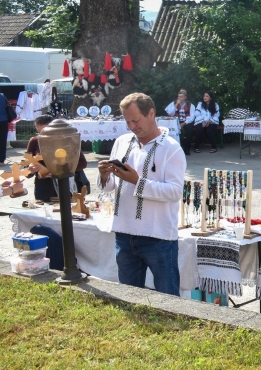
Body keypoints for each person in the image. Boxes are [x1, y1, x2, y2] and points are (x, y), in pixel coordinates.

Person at [98, 93, 186, 296]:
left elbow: (175, 192)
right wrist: (104, 176)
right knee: (130, 297)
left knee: (168, 298)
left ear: (151, 113)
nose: (131, 126)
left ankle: (172, 328)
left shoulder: (171, 148)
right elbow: (109, 187)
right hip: (124, 231)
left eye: (135, 120)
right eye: (127, 121)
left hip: (158, 235)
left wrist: (137, 182)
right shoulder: (121, 141)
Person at [26, 115, 88, 202]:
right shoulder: (34, 141)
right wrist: (31, 170)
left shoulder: (68, 140)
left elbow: (82, 163)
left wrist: (60, 172)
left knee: (67, 213)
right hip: (43, 188)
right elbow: (26, 169)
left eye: (45, 132)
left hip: (65, 185)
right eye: (39, 133)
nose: (42, 136)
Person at [165, 89, 194, 155]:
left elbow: (192, 116)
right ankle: (176, 148)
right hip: (176, 120)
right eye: (178, 96)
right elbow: (170, 113)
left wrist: (184, 123)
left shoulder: (190, 105)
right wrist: (176, 105)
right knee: (174, 131)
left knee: (189, 130)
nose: (179, 98)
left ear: (185, 97)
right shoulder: (174, 103)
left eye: (181, 97)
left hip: (186, 121)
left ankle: (187, 148)